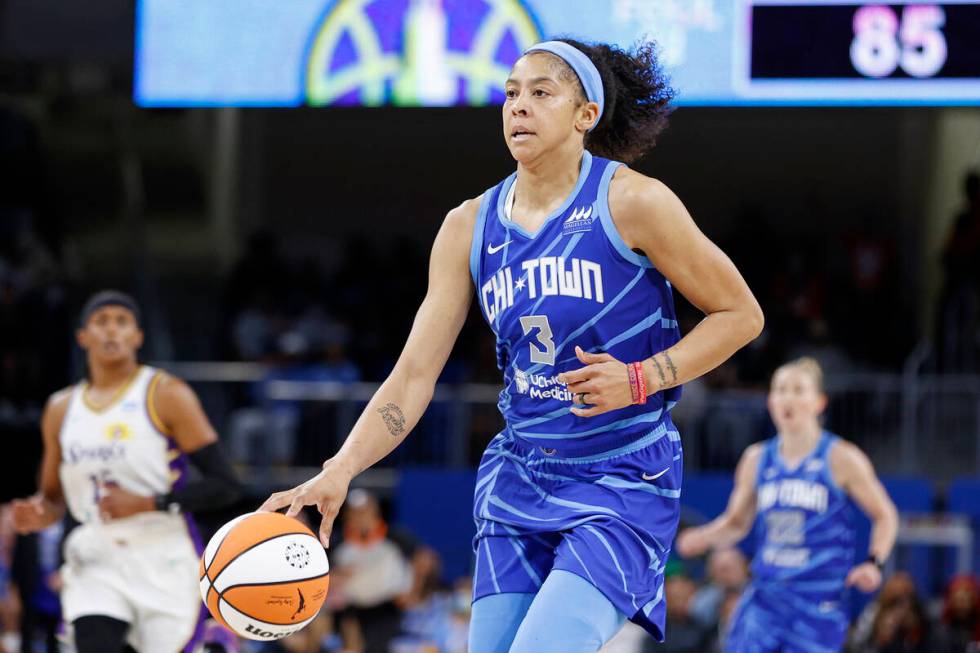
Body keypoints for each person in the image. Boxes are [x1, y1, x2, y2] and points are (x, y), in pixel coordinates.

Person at [262, 38, 763, 652]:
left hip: (623, 475)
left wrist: (643, 377)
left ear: (586, 115)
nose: (518, 107)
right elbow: (415, 375)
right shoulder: (468, 226)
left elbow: (741, 313)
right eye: (511, 93)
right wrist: (340, 468)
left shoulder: (634, 201)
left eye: (540, 93)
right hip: (520, 475)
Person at [10, 290, 242, 653]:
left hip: (161, 553)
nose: (112, 331)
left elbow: (226, 486)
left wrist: (150, 501)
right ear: (83, 337)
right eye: (101, 322)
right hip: (96, 554)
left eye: (122, 322)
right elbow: (54, 499)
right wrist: (39, 514)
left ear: (137, 337)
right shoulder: (61, 407)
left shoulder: (165, 393)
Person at [676, 357, 899, 653]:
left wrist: (874, 562)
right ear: (770, 402)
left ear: (819, 402)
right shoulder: (756, 459)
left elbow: (886, 516)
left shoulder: (841, 457)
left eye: (798, 390)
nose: (788, 398)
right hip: (766, 595)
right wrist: (703, 537)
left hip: (818, 600)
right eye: (780, 390)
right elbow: (737, 523)